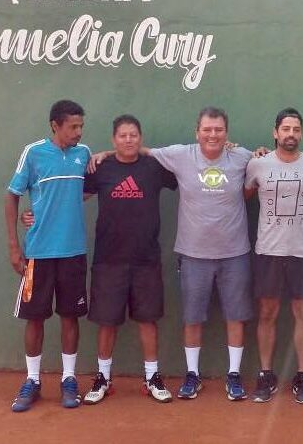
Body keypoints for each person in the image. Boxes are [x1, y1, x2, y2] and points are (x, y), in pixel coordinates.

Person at [144, 107, 254, 401]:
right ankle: (192, 374)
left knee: (236, 316)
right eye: (207, 129)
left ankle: (233, 374)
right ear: (197, 132)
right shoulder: (181, 155)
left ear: (226, 133)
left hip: (235, 253)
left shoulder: (242, 157)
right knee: (192, 318)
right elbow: (140, 151)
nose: (212, 135)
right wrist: (104, 155)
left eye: (218, 130)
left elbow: (272, 158)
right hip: (193, 254)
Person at [81, 115, 177, 404]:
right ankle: (103, 378)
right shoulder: (100, 168)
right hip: (108, 260)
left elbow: (191, 168)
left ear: (140, 137)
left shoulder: (155, 167)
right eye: (122, 135)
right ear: (114, 139)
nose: (128, 140)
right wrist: (33, 214)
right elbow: (75, 196)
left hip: (146, 260)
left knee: (148, 320)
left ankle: (152, 377)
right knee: (107, 321)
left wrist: (227, 148)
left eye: (133, 135)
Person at [5, 100, 90, 412]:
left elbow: (88, 187)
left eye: (81, 126)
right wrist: (14, 246)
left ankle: (69, 379)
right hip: (38, 254)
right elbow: (12, 196)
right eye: (73, 127)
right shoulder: (33, 153)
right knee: (35, 317)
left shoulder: (84, 154)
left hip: (73, 252)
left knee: (70, 316)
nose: (78, 132)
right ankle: (32, 380)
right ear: (55, 125)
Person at [245, 107, 303, 405]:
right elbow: (242, 197)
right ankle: (266, 374)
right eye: (286, 129)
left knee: (302, 314)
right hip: (268, 250)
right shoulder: (257, 164)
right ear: (275, 132)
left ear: (301, 133)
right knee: (267, 313)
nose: (291, 134)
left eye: (296, 129)